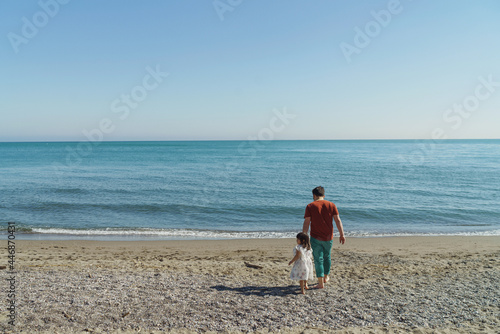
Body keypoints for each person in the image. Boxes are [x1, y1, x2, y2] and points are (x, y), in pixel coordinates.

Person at [303, 186, 345, 289]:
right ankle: (326, 277)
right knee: (327, 257)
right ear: (324, 195)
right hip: (328, 237)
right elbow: (337, 220)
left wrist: (304, 235)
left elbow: (307, 222)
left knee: (318, 259)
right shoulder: (331, 205)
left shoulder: (310, 206)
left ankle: (320, 283)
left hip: (315, 237)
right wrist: (342, 234)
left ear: (314, 195)